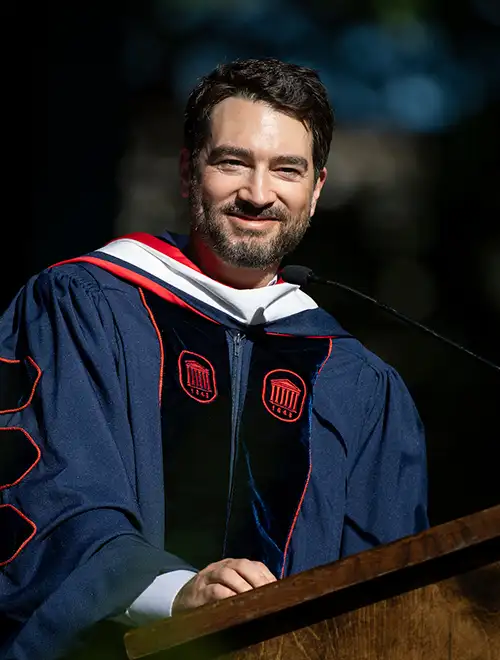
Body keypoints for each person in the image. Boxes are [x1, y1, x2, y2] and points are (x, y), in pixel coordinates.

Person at [0, 58, 428, 660]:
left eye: (287, 170)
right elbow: (50, 496)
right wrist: (173, 592)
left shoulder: (356, 382)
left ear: (317, 189)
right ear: (187, 171)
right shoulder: (84, 308)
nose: (258, 194)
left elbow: (393, 596)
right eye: (233, 162)